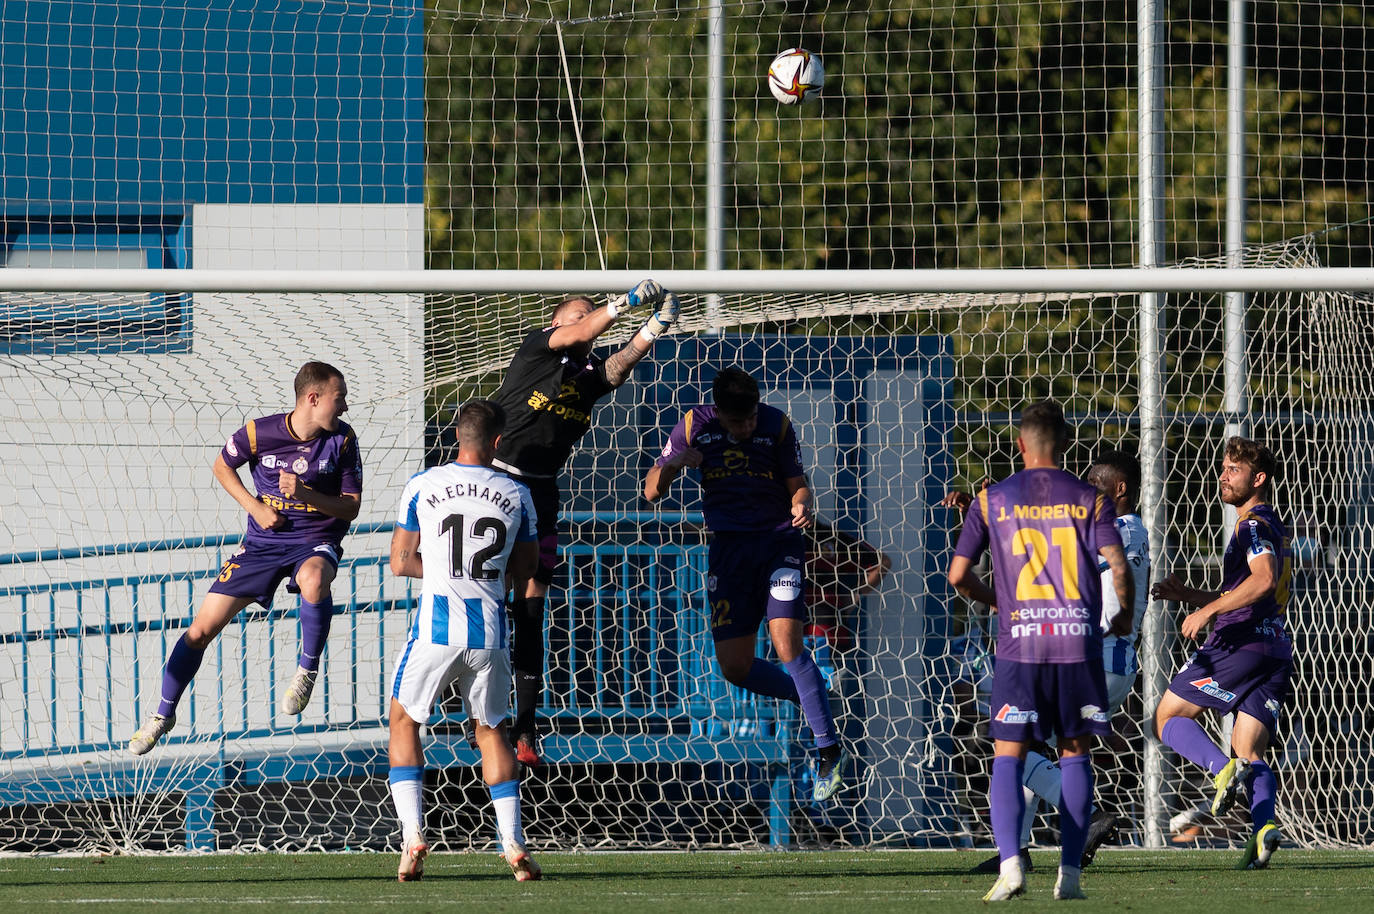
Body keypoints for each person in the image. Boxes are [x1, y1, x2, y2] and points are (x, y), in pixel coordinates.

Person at [947, 401, 1132, 901]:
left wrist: (1001, 601)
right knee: (1074, 754)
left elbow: (958, 577)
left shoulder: (990, 500)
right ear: (1067, 444)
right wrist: (1123, 616)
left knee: (1008, 756)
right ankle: (1069, 877)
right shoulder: (1091, 499)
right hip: (1076, 642)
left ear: (1019, 444)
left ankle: (1011, 868)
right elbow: (1118, 566)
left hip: (1020, 643)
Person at [491, 280, 679, 765]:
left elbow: (614, 369)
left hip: (543, 492)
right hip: (498, 486)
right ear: (557, 324)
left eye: (589, 318)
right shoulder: (536, 348)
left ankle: (526, 729)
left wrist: (654, 327)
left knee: (532, 607)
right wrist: (623, 304)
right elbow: (582, 334)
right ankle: (484, 717)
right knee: (485, 599)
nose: (585, 324)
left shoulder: (588, 370)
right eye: (578, 316)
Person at [131, 362, 362, 755]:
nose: (344, 408)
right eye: (339, 399)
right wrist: (254, 506)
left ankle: (306, 669)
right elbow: (222, 465)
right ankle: (162, 714)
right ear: (313, 398)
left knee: (314, 579)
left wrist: (306, 496)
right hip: (261, 545)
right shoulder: (259, 432)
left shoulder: (342, 439)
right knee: (201, 629)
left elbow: (351, 508)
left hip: (314, 539)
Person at [643, 367, 850, 802]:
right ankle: (809, 695)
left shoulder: (777, 424)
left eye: (751, 417)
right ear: (718, 413)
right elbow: (651, 491)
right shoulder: (692, 426)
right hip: (730, 553)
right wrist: (677, 461)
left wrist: (801, 506)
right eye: (738, 422)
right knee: (735, 667)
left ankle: (828, 749)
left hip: (779, 545)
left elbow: (798, 486)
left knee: (786, 643)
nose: (747, 426)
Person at [386, 399, 541, 883]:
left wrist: (443, 570)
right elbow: (528, 569)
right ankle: (513, 844)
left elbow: (400, 562)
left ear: (456, 436)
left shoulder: (423, 484)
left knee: (403, 720)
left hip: (435, 630)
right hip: (491, 633)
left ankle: (413, 836)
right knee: (492, 732)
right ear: (498, 443)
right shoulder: (517, 493)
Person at [1151, 436, 1291, 871]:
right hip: (1273, 648)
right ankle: (1264, 830)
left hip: (1239, 644)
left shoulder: (1250, 525)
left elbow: (1263, 580)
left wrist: (1209, 610)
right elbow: (1250, 591)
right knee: (1248, 749)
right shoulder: (1271, 524)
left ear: (1259, 478)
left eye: (1234, 469)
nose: (1224, 475)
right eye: (1223, 467)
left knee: (1167, 718)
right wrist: (1192, 595)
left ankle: (1218, 770)